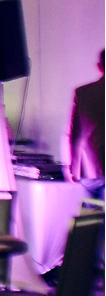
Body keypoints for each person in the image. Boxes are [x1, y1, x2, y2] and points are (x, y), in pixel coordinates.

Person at [68, 49, 104, 198]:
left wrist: (73, 167)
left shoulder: (83, 92)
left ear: (99, 66)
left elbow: (74, 134)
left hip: (90, 167)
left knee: (90, 211)